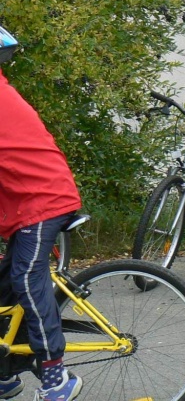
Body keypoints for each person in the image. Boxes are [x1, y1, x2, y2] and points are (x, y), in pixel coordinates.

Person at [0, 24, 85, 401]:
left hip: (42, 199)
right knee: (4, 287)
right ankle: (5, 372)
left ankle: (56, 376)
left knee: (25, 278)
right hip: (26, 203)